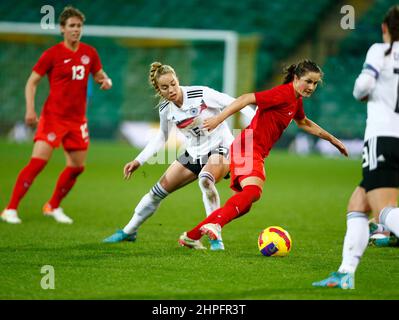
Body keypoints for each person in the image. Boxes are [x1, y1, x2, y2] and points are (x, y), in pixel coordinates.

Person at [178, 60, 349, 250]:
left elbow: (304, 123)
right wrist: (218, 119)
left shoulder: (295, 100)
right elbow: (245, 98)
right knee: (252, 192)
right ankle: (215, 225)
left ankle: (192, 236)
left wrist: (333, 140)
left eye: (315, 83)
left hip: (249, 148)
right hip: (249, 147)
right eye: (308, 81)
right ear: (296, 78)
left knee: (246, 203)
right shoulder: (283, 93)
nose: (311, 87)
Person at [103, 62, 255, 250]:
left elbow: (237, 102)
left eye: (173, 84)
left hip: (221, 148)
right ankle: (128, 231)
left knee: (205, 179)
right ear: (159, 90)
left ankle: (216, 236)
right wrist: (138, 160)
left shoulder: (201, 94)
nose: (171, 90)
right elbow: (162, 137)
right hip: (194, 153)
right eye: (165, 87)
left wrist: (254, 122)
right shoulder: (165, 109)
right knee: (156, 193)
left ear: (178, 80)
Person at [313, 5, 399, 289]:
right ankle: (345, 273)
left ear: (385, 28)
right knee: (358, 204)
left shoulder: (380, 50)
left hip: (383, 138)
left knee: (383, 210)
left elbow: (361, 87)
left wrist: (369, 93)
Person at [1, 6, 112, 224]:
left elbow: (99, 74)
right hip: (53, 117)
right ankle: (10, 208)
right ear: (62, 28)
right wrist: (30, 109)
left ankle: (52, 206)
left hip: (78, 120)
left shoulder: (89, 53)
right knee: (38, 163)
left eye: (79, 26)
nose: (76, 30)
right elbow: (32, 82)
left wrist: (105, 81)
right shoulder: (52, 54)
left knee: (77, 167)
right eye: (71, 26)